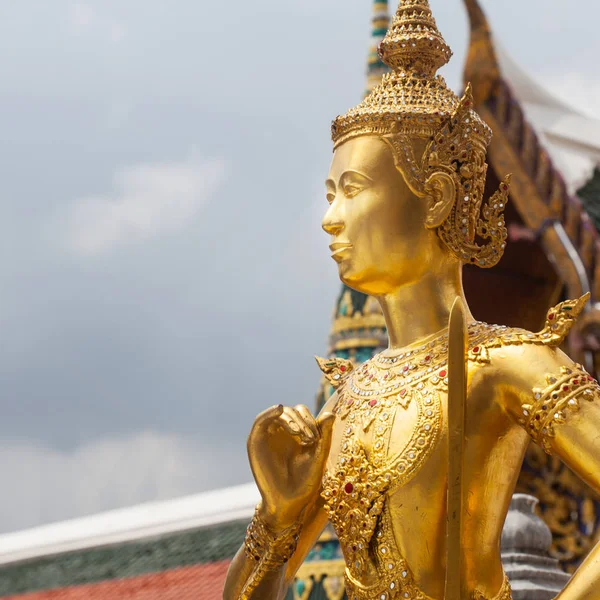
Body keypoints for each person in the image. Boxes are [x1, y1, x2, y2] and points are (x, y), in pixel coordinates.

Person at [224, 2, 600, 598]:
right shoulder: (350, 398)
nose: (330, 219)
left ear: (437, 197)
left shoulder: (510, 364)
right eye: (329, 193)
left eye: (351, 191)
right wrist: (277, 515)